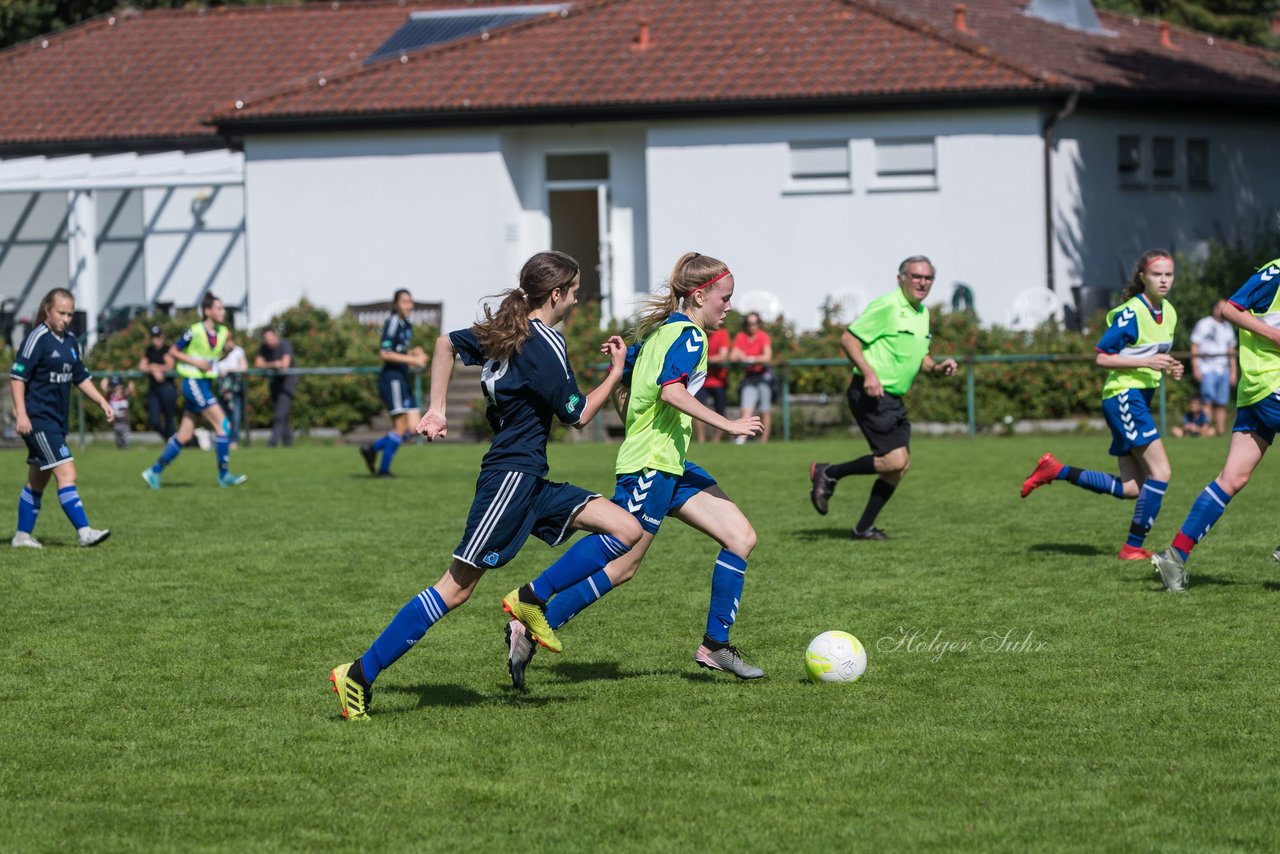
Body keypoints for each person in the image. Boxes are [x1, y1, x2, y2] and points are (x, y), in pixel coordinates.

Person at [329, 251, 642, 721]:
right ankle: (357, 674)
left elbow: (442, 344)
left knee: (626, 530)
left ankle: (530, 600)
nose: (577, 299)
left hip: (531, 479)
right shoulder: (544, 343)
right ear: (556, 294)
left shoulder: (506, 330)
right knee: (455, 589)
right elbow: (577, 415)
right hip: (509, 482)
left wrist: (437, 407)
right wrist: (616, 372)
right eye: (575, 291)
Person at [504, 251, 766, 691]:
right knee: (620, 559)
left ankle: (715, 645)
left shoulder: (668, 332)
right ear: (700, 295)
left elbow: (643, 368)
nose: (729, 306)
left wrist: (624, 356)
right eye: (725, 297)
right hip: (651, 465)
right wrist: (731, 424)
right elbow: (671, 393)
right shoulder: (690, 338)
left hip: (672, 466)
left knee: (741, 538)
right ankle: (532, 607)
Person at [1021, 251, 1182, 560]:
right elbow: (1102, 357)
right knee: (1160, 473)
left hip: (1138, 397)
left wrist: (1169, 366)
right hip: (1125, 397)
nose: (1163, 280)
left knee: (1132, 487)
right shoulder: (1131, 313)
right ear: (1143, 278)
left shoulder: (1170, 313)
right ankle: (1132, 547)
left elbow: (1150, 355)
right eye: (1157, 274)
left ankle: (1056, 470)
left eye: (1169, 274)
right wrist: (1149, 361)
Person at [1152, 253, 1280, 591]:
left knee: (1232, 478)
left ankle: (1174, 556)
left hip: (1258, 391)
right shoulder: (1277, 271)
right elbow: (1230, 308)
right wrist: (1273, 335)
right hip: (1271, 383)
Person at [808, 256, 958, 540]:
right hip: (871, 393)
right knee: (894, 460)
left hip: (893, 398)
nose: (922, 282)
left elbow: (919, 356)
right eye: (916, 276)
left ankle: (863, 528)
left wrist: (937, 367)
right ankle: (829, 472)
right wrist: (869, 374)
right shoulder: (887, 306)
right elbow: (848, 340)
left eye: (928, 278)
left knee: (899, 467)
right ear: (901, 278)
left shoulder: (921, 314)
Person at [9, 287, 113, 548]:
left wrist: (102, 401)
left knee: (38, 478)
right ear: (48, 310)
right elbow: (18, 377)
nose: (66, 319)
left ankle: (22, 537)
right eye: (61, 313)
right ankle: (85, 532)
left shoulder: (70, 341)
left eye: (70, 314)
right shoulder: (37, 338)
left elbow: (80, 377)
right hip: (38, 419)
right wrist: (21, 412)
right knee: (67, 472)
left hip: (56, 421)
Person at [141, 293, 247, 489]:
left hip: (205, 383)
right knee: (223, 425)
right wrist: (196, 362)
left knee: (184, 435)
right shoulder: (195, 330)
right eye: (219, 308)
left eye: (223, 308)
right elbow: (173, 351)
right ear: (207, 311)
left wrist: (227, 352)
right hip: (193, 383)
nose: (222, 312)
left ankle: (153, 471)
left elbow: (212, 360)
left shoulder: (223, 332)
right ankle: (224, 476)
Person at [360, 289, 429, 477]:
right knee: (400, 427)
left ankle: (372, 448)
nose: (409, 305)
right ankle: (383, 470)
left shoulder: (406, 324)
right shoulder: (392, 322)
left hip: (402, 379)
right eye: (405, 301)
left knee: (415, 428)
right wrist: (413, 360)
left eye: (410, 301)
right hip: (392, 380)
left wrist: (414, 352)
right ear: (396, 304)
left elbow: (400, 350)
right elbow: (385, 353)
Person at [1190, 299, 1238, 436]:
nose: (1223, 311)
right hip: (1207, 369)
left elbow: (1231, 351)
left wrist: (1234, 372)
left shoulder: (1228, 326)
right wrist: (1196, 368)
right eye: (1220, 308)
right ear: (1214, 309)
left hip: (1224, 370)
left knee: (1222, 403)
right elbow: (1195, 346)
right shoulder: (1204, 324)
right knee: (1207, 401)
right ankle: (1205, 431)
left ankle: (1221, 432)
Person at [731, 311, 774, 443]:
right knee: (746, 409)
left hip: (763, 377)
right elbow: (733, 356)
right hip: (749, 377)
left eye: (754, 323)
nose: (752, 326)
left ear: (758, 324)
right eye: (749, 323)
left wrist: (750, 358)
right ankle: (741, 439)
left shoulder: (763, 336)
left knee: (765, 410)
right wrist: (740, 356)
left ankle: (764, 441)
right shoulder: (740, 337)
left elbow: (767, 357)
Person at [255, 327, 297, 447]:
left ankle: (272, 443)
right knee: (282, 415)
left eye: (271, 338)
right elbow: (258, 364)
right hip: (275, 384)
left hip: (287, 384)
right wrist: (274, 364)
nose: (269, 341)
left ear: (275, 336)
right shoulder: (264, 348)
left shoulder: (285, 345)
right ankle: (288, 443)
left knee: (280, 415)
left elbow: (284, 364)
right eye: (266, 339)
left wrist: (268, 365)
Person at [693, 323, 731, 443]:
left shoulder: (722, 334)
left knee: (721, 411)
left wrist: (705, 359)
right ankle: (701, 441)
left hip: (718, 381)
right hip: (701, 381)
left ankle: (716, 441)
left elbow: (723, 356)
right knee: (696, 410)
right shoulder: (697, 333)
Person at [139, 325, 177, 439]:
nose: (156, 339)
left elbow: (170, 366)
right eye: (153, 337)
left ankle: (172, 443)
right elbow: (142, 366)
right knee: (154, 420)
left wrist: (155, 367)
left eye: (158, 337)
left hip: (167, 387)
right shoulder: (149, 351)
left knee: (169, 418)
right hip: (154, 389)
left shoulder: (167, 349)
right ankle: (169, 440)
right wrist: (153, 369)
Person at [217, 339, 248, 448]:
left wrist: (230, 370)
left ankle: (234, 441)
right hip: (222, 390)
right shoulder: (217, 351)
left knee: (235, 417)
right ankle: (224, 439)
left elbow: (244, 368)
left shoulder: (238, 351)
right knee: (222, 417)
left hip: (235, 389)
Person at [99, 375, 135, 449]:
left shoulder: (125, 394)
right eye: (115, 386)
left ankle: (127, 449)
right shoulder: (111, 395)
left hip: (125, 422)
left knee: (126, 441)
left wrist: (131, 376)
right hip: (116, 422)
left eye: (118, 385)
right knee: (118, 442)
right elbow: (103, 387)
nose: (117, 388)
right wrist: (106, 375)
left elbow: (131, 388)